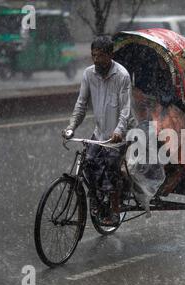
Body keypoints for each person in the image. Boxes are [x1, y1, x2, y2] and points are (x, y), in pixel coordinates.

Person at [62, 35, 132, 226]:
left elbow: (125, 110)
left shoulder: (122, 76)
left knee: (111, 169)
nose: (96, 60)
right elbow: (81, 104)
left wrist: (119, 130)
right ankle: (95, 199)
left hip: (118, 135)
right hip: (100, 133)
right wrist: (71, 127)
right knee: (89, 164)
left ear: (110, 55)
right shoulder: (88, 74)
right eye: (93, 55)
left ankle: (115, 209)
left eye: (100, 56)